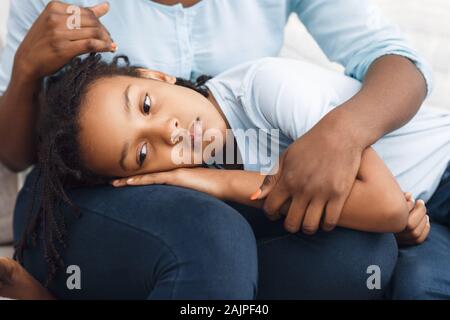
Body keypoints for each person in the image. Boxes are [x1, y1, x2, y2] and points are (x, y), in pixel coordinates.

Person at [0, 0, 441, 299]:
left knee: (356, 262)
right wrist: (26, 66)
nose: (168, 132)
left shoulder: (267, 95)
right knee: (210, 234)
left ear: (157, 78)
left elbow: (393, 58)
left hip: (238, 162)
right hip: (87, 189)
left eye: (148, 105)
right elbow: (15, 156)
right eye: (141, 152)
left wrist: (341, 133)